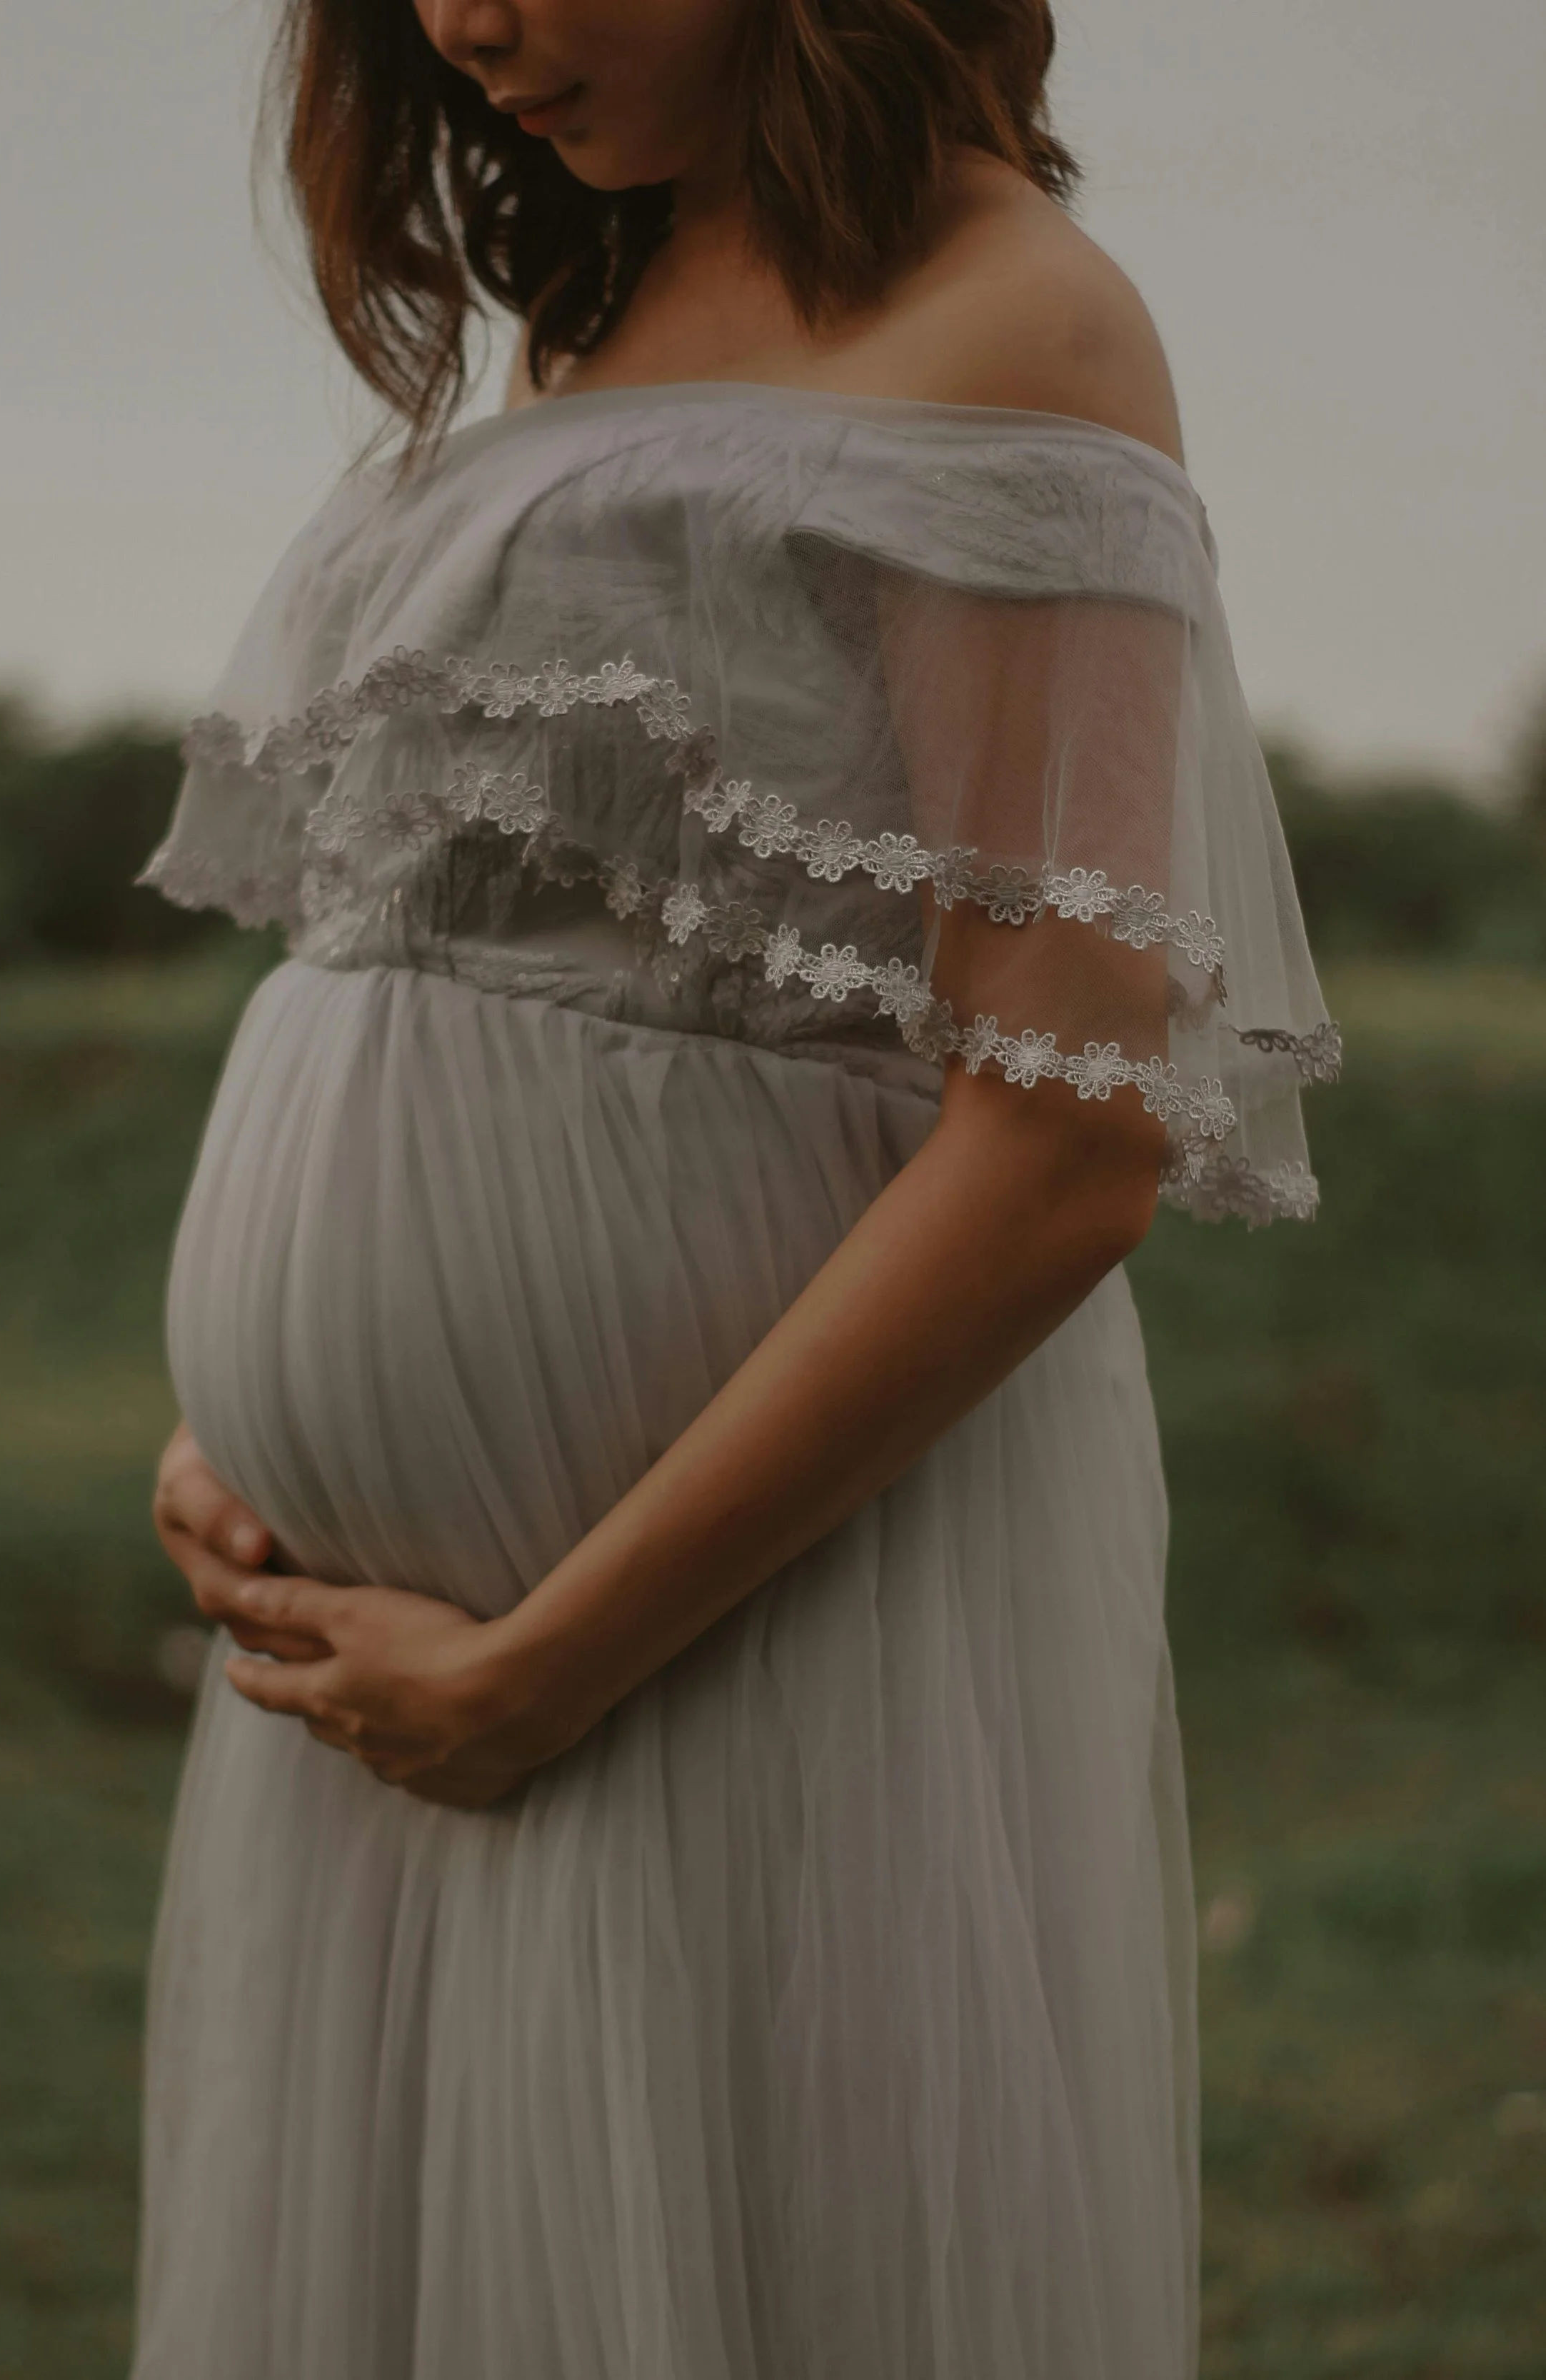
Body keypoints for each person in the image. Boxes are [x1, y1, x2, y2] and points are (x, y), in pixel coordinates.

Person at [134, 3, 1337, 2373]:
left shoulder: (1014, 326)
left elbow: (1063, 1129)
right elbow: (455, 942)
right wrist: (249, 1423)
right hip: (399, 1650)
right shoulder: (589, 306)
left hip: (710, 1635)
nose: (461, 26)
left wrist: (542, 1667)